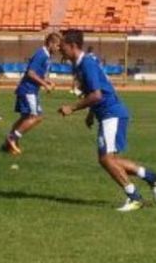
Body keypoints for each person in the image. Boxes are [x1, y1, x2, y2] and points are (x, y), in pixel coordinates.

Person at [58, 29, 156, 212]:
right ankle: (151, 177)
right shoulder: (80, 64)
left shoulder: (86, 63)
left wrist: (72, 108)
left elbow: (97, 95)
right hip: (108, 113)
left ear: (72, 46)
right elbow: (95, 91)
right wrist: (90, 114)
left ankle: (135, 197)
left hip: (112, 113)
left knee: (106, 159)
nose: (59, 49)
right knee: (110, 159)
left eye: (62, 46)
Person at [3, 33, 61, 155]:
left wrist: (47, 81)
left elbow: (38, 74)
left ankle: (8, 143)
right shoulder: (41, 54)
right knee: (36, 117)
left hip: (29, 90)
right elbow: (30, 73)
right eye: (57, 45)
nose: (58, 49)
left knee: (25, 117)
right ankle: (13, 138)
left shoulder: (46, 55)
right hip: (28, 90)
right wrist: (44, 84)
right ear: (50, 43)